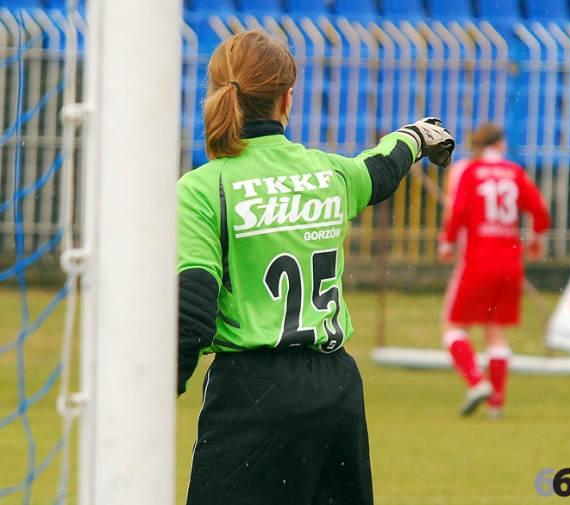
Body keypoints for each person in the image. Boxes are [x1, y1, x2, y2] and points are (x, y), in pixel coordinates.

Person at [177, 29, 455, 505]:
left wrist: (152, 398)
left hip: (252, 392)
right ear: (288, 99)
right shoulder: (329, 174)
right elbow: (381, 170)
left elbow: (192, 313)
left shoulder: (203, 188)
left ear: (220, 94)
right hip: (336, 391)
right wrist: (414, 137)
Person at [437, 122, 550, 419]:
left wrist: (447, 243)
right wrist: (536, 240)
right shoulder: (515, 172)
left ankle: (476, 382)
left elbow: (458, 211)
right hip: (511, 262)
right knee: (496, 334)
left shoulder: (469, 171)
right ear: (500, 144)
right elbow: (540, 210)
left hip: (477, 259)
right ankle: (496, 405)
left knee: (452, 326)